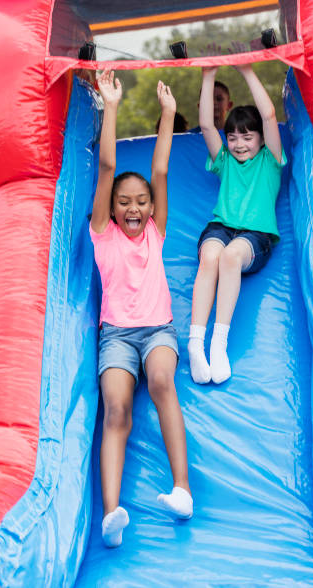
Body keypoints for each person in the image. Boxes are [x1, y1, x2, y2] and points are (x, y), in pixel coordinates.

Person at [90, 69, 193, 548]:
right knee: (116, 410)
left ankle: (182, 490)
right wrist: (110, 106)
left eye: (141, 203)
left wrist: (168, 115)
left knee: (161, 382)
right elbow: (108, 168)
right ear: (111, 209)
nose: (133, 208)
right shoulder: (102, 233)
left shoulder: (156, 229)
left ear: (152, 208)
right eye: (124, 203)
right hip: (115, 334)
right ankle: (112, 516)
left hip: (157, 331)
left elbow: (161, 172)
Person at [188, 64, 286, 385]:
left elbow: (270, 115)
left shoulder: (270, 159)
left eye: (247, 136)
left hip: (254, 237)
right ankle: (194, 343)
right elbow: (205, 124)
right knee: (211, 256)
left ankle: (218, 343)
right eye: (232, 137)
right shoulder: (225, 161)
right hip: (221, 227)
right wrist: (207, 76)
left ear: (260, 138)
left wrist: (246, 70)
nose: (239, 143)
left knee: (230, 257)